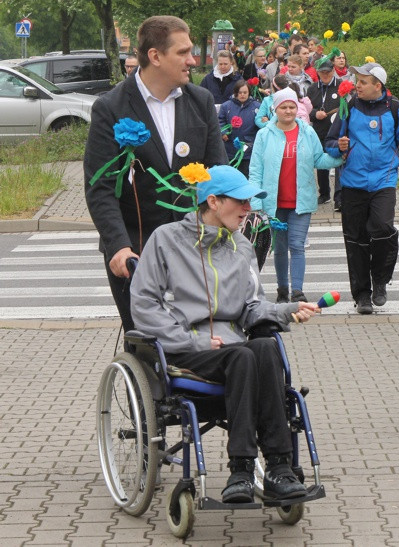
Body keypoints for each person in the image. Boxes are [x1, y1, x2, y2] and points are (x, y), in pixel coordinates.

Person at [130, 164, 320, 504]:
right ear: (213, 201)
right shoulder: (167, 240)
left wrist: (287, 310)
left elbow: (252, 307)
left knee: (263, 348)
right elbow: (144, 304)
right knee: (247, 354)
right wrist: (193, 340)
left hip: (233, 355)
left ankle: (278, 467)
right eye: (242, 201)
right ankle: (242, 466)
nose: (249, 209)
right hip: (184, 350)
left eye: (250, 202)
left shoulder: (241, 247)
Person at [84, 15, 227, 334]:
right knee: (149, 344)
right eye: (183, 52)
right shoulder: (111, 108)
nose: (192, 60)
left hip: (193, 246)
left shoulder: (200, 101)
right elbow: (100, 189)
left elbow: (218, 174)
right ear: (155, 56)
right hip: (136, 249)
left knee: (203, 337)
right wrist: (118, 245)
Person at [325, 62, 399, 314]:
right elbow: (330, 143)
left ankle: (380, 281)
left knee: (383, 229)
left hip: (384, 180)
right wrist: (340, 146)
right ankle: (362, 295)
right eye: (357, 80)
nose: (357, 85)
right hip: (352, 182)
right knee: (355, 240)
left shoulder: (395, 108)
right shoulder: (349, 105)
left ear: (378, 85)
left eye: (363, 81)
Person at [249, 88, 342, 303]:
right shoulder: (264, 135)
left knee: (297, 245)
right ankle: (282, 290)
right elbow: (255, 171)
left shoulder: (307, 132)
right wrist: (255, 202)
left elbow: (319, 159)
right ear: (275, 109)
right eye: (284, 107)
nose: (288, 110)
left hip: (301, 201)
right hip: (273, 203)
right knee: (280, 248)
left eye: (292, 106)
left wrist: (339, 157)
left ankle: (297, 291)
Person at [306, 59, 341, 206]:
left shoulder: (341, 86)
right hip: (319, 130)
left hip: (338, 130)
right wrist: (315, 114)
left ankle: (339, 198)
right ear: (318, 73)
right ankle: (324, 193)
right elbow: (306, 109)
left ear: (333, 71)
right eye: (322, 72)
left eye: (328, 72)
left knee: (340, 162)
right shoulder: (313, 88)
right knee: (320, 162)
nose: (325, 75)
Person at [218, 79, 261, 177]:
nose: (242, 95)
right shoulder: (226, 106)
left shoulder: (257, 107)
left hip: (248, 148)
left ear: (249, 92)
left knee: (246, 175)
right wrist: (224, 132)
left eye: (245, 92)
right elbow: (220, 121)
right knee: (230, 176)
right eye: (240, 92)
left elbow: (260, 126)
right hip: (230, 148)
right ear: (235, 93)